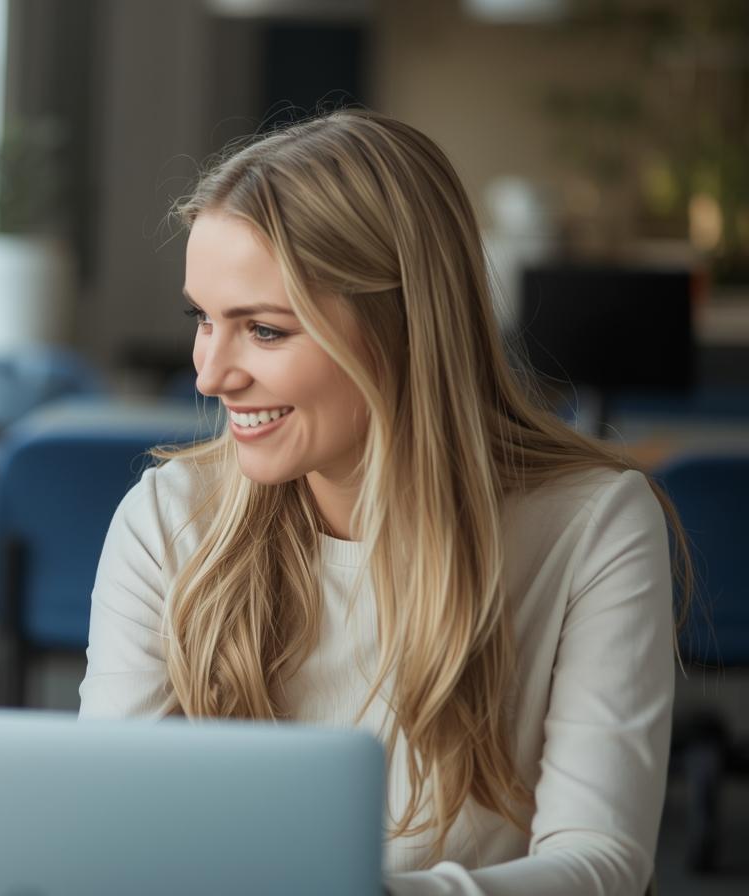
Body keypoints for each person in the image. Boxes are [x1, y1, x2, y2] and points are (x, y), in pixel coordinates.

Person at [80, 109, 686, 895]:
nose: (210, 374)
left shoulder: (593, 527)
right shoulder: (166, 520)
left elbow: (600, 863)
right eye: (204, 319)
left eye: (263, 331)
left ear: (402, 328)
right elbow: (112, 838)